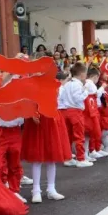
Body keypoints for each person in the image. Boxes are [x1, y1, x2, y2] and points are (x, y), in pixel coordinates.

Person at [23, 73, 72, 203]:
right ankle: (36, 190)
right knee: (37, 157)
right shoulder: (31, 83)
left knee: (52, 156)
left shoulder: (54, 84)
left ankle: (51, 188)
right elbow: (26, 100)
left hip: (51, 119)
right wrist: (31, 112)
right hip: (38, 120)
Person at [60, 62, 93, 168]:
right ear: (82, 74)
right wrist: (86, 91)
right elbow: (78, 98)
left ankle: (68, 157)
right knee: (79, 136)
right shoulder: (77, 84)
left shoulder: (67, 84)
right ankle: (80, 158)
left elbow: (62, 98)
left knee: (68, 136)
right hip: (75, 111)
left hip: (66, 111)